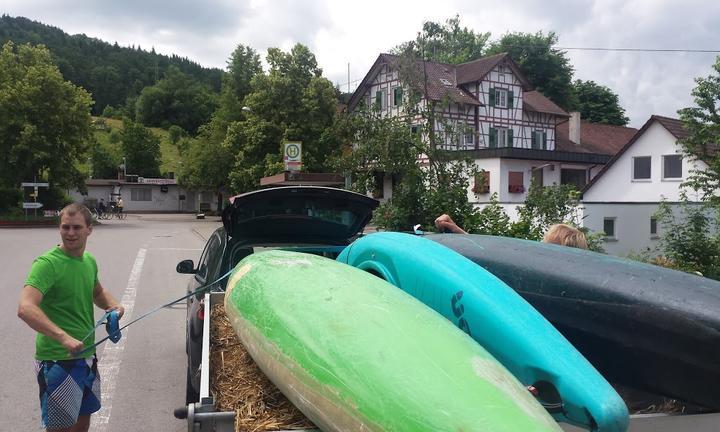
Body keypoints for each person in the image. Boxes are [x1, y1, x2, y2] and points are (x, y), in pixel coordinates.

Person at [17, 203, 124, 432]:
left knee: (82, 423)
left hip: (86, 357)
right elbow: (25, 307)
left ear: (89, 229)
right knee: (61, 428)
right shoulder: (47, 264)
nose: (71, 233)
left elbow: (97, 292)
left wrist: (114, 306)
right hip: (57, 359)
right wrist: (63, 337)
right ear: (60, 228)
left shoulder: (89, 261)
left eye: (76, 227)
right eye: (65, 227)